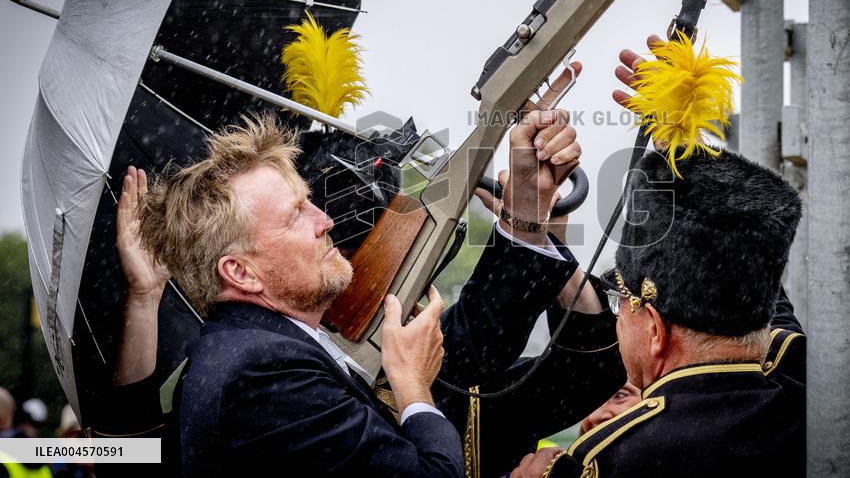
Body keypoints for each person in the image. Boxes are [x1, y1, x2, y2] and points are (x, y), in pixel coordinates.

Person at [123, 103, 617, 476]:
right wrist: (414, 389)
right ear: (242, 273)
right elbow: (125, 455)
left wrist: (530, 209)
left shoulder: (303, 351)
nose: (325, 222)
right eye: (296, 215)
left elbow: (539, 349)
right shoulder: (261, 371)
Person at [510, 43, 806, 478]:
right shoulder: (806, 385)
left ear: (654, 329)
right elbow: (746, 275)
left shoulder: (609, 461)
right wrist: (681, 151)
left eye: (621, 302)